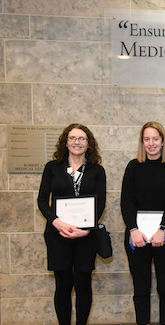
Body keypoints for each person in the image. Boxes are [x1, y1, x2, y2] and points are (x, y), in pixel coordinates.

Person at [37, 123, 106, 325]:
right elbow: (42, 200)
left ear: (89, 143)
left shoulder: (97, 170)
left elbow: (100, 203)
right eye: (73, 138)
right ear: (65, 142)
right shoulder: (52, 167)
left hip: (86, 236)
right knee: (63, 285)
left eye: (82, 139)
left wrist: (85, 229)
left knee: (83, 284)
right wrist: (56, 222)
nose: (77, 142)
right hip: (58, 235)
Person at [121, 122, 165, 325]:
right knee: (141, 289)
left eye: (155, 138)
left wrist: (162, 230)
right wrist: (133, 229)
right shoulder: (133, 167)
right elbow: (126, 202)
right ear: (142, 142)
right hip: (137, 237)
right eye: (146, 139)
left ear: (163, 141)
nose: (151, 143)